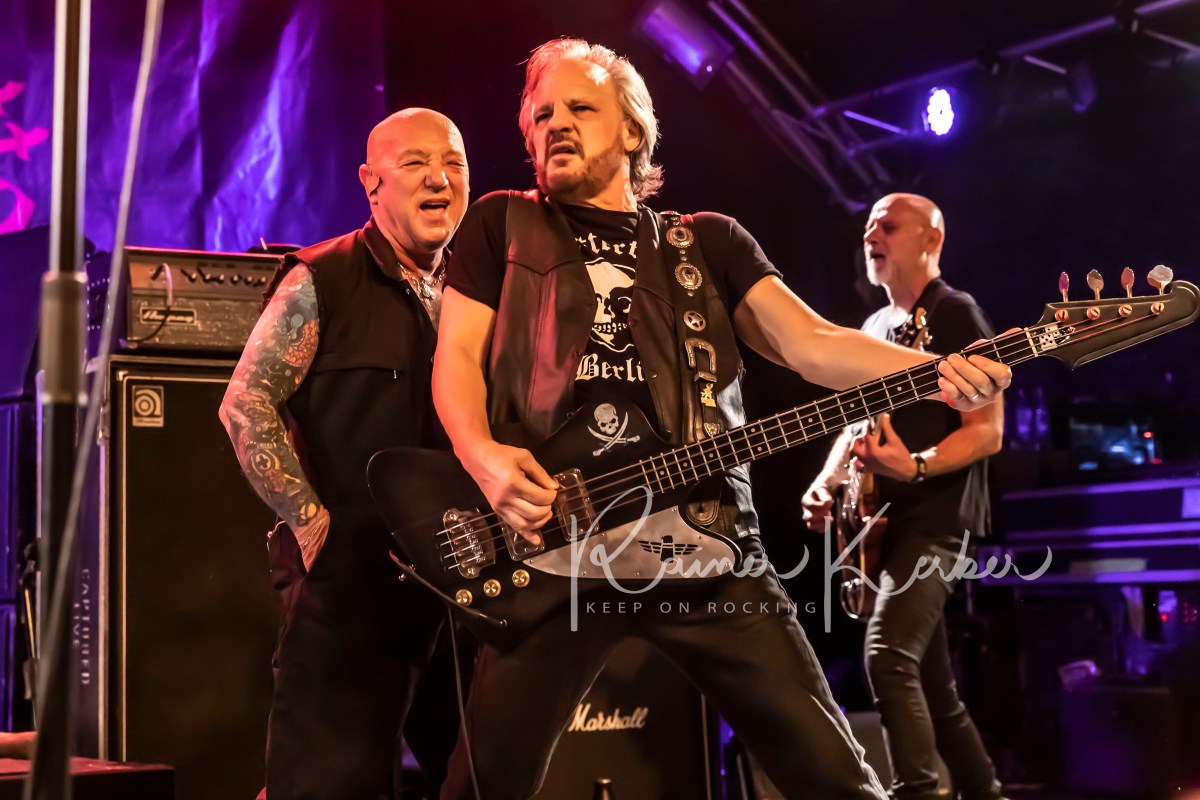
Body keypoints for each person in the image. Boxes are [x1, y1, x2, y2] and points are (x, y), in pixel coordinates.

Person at [433, 39, 1010, 800]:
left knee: (838, 780)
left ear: (632, 129)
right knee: (480, 789)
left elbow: (811, 344)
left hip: (707, 550)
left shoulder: (706, 242)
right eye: (540, 115)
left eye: (579, 107)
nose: (556, 124)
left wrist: (934, 371)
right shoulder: (500, 225)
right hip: (554, 553)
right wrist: (483, 458)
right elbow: (456, 361)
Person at [219, 108, 470, 799]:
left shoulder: (480, 289)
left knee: (480, 780)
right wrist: (311, 524)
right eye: (416, 162)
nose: (439, 178)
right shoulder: (322, 277)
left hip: (463, 588)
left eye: (453, 163)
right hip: (353, 590)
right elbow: (245, 403)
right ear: (371, 182)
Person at [802, 193, 1008, 800]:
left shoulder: (955, 313)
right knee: (936, 691)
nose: (872, 235)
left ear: (932, 240)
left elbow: (988, 430)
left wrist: (915, 465)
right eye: (869, 226)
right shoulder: (874, 329)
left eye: (888, 226)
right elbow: (854, 424)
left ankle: (919, 792)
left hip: (937, 520)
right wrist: (827, 480)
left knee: (887, 657)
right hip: (883, 524)